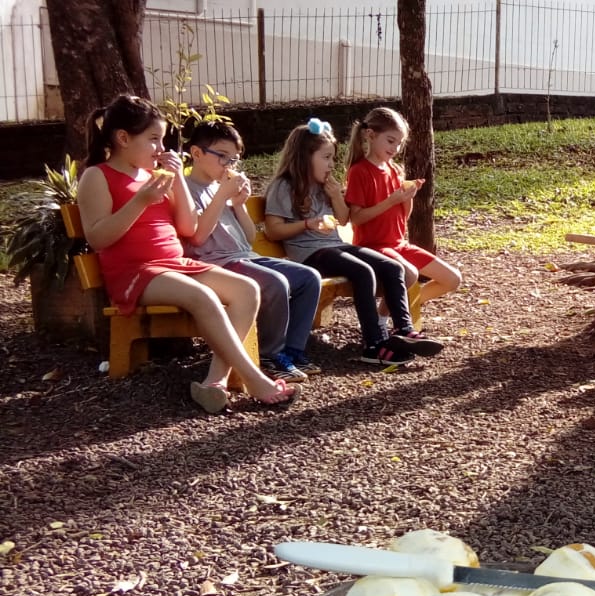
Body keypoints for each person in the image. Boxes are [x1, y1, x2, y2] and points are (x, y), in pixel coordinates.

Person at [76, 95, 299, 414]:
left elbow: (189, 226)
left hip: (174, 265)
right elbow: (98, 238)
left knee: (247, 289)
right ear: (123, 138)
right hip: (135, 271)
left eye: (162, 139)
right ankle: (255, 380)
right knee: (203, 296)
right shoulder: (97, 176)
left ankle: (214, 382)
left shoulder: (153, 175)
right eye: (153, 139)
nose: (160, 148)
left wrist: (178, 176)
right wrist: (140, 201)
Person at [263, 118, 442, 366]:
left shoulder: (323, 187)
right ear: (305, 156)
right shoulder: (283, 187)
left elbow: (343, 219)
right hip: (310, 255)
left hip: (336, 247)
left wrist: (336, 195)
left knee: (392, 267)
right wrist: (307, 224)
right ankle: (374, 344)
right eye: (326, 158)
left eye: (332, 158)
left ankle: (403, 331)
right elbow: (273, 231)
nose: (331, 164)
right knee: (362, 271)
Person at [182, 120, 323, 383]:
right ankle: (270, 354)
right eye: (222, 157)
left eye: (233, 159)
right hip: (215, 263)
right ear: (197, 153)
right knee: (275, 283)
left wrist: (239, 205)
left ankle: (291, 351)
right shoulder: (185, 189)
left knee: (308, 278)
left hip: (244, 256)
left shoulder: (220, 187)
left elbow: (248, 239)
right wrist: (222, 197)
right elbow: (198, 237)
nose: (229, 165)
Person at [344, 107, 461, 337]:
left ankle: (405, 306)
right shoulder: (360, 171)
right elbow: (356, 218)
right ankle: (382, 321)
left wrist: (407, 199)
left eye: (399, 144)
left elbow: (402, 219)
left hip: (399, 244)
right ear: (370, 135)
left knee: (452, 279)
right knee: (408, 273)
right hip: (373, 247)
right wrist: (392, 200)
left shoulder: (395, 170)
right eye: (390, 141)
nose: (395, 149)